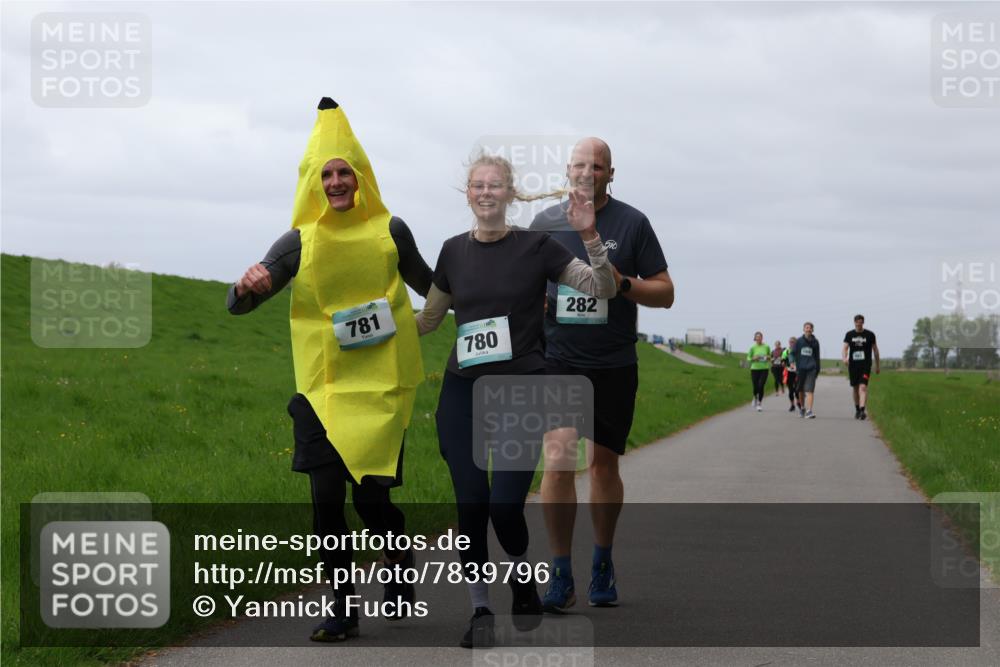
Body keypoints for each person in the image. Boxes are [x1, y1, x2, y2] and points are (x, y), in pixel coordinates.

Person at [228, 98, 431, 642]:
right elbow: (244, 299)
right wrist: (247, 287)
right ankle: (341, 608)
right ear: (314, 184)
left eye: (346, 172)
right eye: (328, 174)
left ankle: (397, 556)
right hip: (322, 390)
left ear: (362, 178)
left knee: (372, 501)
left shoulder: (393, 231)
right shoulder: (299, 240)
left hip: (379, 391)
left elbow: (435, 289)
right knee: (325, 503)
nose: (337, 181)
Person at [415, 153, 616, 648]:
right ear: (467, 193)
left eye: (495, 185)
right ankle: (480, 609)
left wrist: (590, 235)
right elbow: (428, 321)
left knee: (505, 507)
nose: (485, 193)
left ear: (509, 193)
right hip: (462, 391)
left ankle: (521, 574)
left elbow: (604, 288)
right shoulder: (452, 252)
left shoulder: (537, 247)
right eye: (477, 185)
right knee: (470, 503)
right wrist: (372, 321)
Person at [530, 138, 674, 613]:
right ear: (566, 171)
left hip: (613, 361)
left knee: (602, 466)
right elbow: (525, 283)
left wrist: (623, 283)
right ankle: (560, 571)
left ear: (611, 174)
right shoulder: (546, 223)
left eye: (597, 165)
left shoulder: (633, 223)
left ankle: (602, 561)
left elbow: (666, 292)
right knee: (558, 457)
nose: (587, 171)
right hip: (560, 359)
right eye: (579, 164)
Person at [842, 314, 880, 420]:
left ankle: (863, 410)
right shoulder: (849, 334)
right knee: (855, 388)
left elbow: (875, 350)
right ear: (854, 322)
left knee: (863, 387)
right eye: (857, 322)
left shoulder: (870, 334)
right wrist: (844, 358)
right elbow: (845, 348)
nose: (859, 323)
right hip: (853, 365)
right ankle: (857, 409)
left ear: (863, 322)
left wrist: (877, 365)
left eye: (861, 322)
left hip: (866, 365)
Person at [792, 322, 821, 419]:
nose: (808, 329)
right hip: (800, 369)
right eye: (806, 328)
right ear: (803, 329)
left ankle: (809, 411)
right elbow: (792, 353)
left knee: (810, 390)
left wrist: (817, 369)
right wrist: (792, 362)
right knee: (800, 390)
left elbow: (817, 357)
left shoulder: (815, 342)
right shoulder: (799, 341)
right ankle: (803, 408)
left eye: (810, 328)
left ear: (812, 330)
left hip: (811, 369)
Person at [747, 332, 771, 412]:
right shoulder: (752, 348)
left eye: (760, 337)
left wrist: (768, 357)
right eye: (757, 337)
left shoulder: (766, 346)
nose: (759, 338)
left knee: (761, 385)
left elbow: (770, 356)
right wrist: (753, 358)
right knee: (755, 386)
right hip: (754, 369)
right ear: (755, 338)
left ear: (762, 338)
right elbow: (748, 358)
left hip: (764, 368)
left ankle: (759, 403)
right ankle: (754, 397)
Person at [783, 336, 802, 413]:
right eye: (790, 342)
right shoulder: (786, 351)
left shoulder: (799, 350)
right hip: (789, 372)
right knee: (791, 390)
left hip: (797, 372)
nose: (792, 343)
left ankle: (798, 402)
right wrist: (784, 364)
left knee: (797, 389)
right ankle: (792, 405)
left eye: (793, 342)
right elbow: (783, 360)